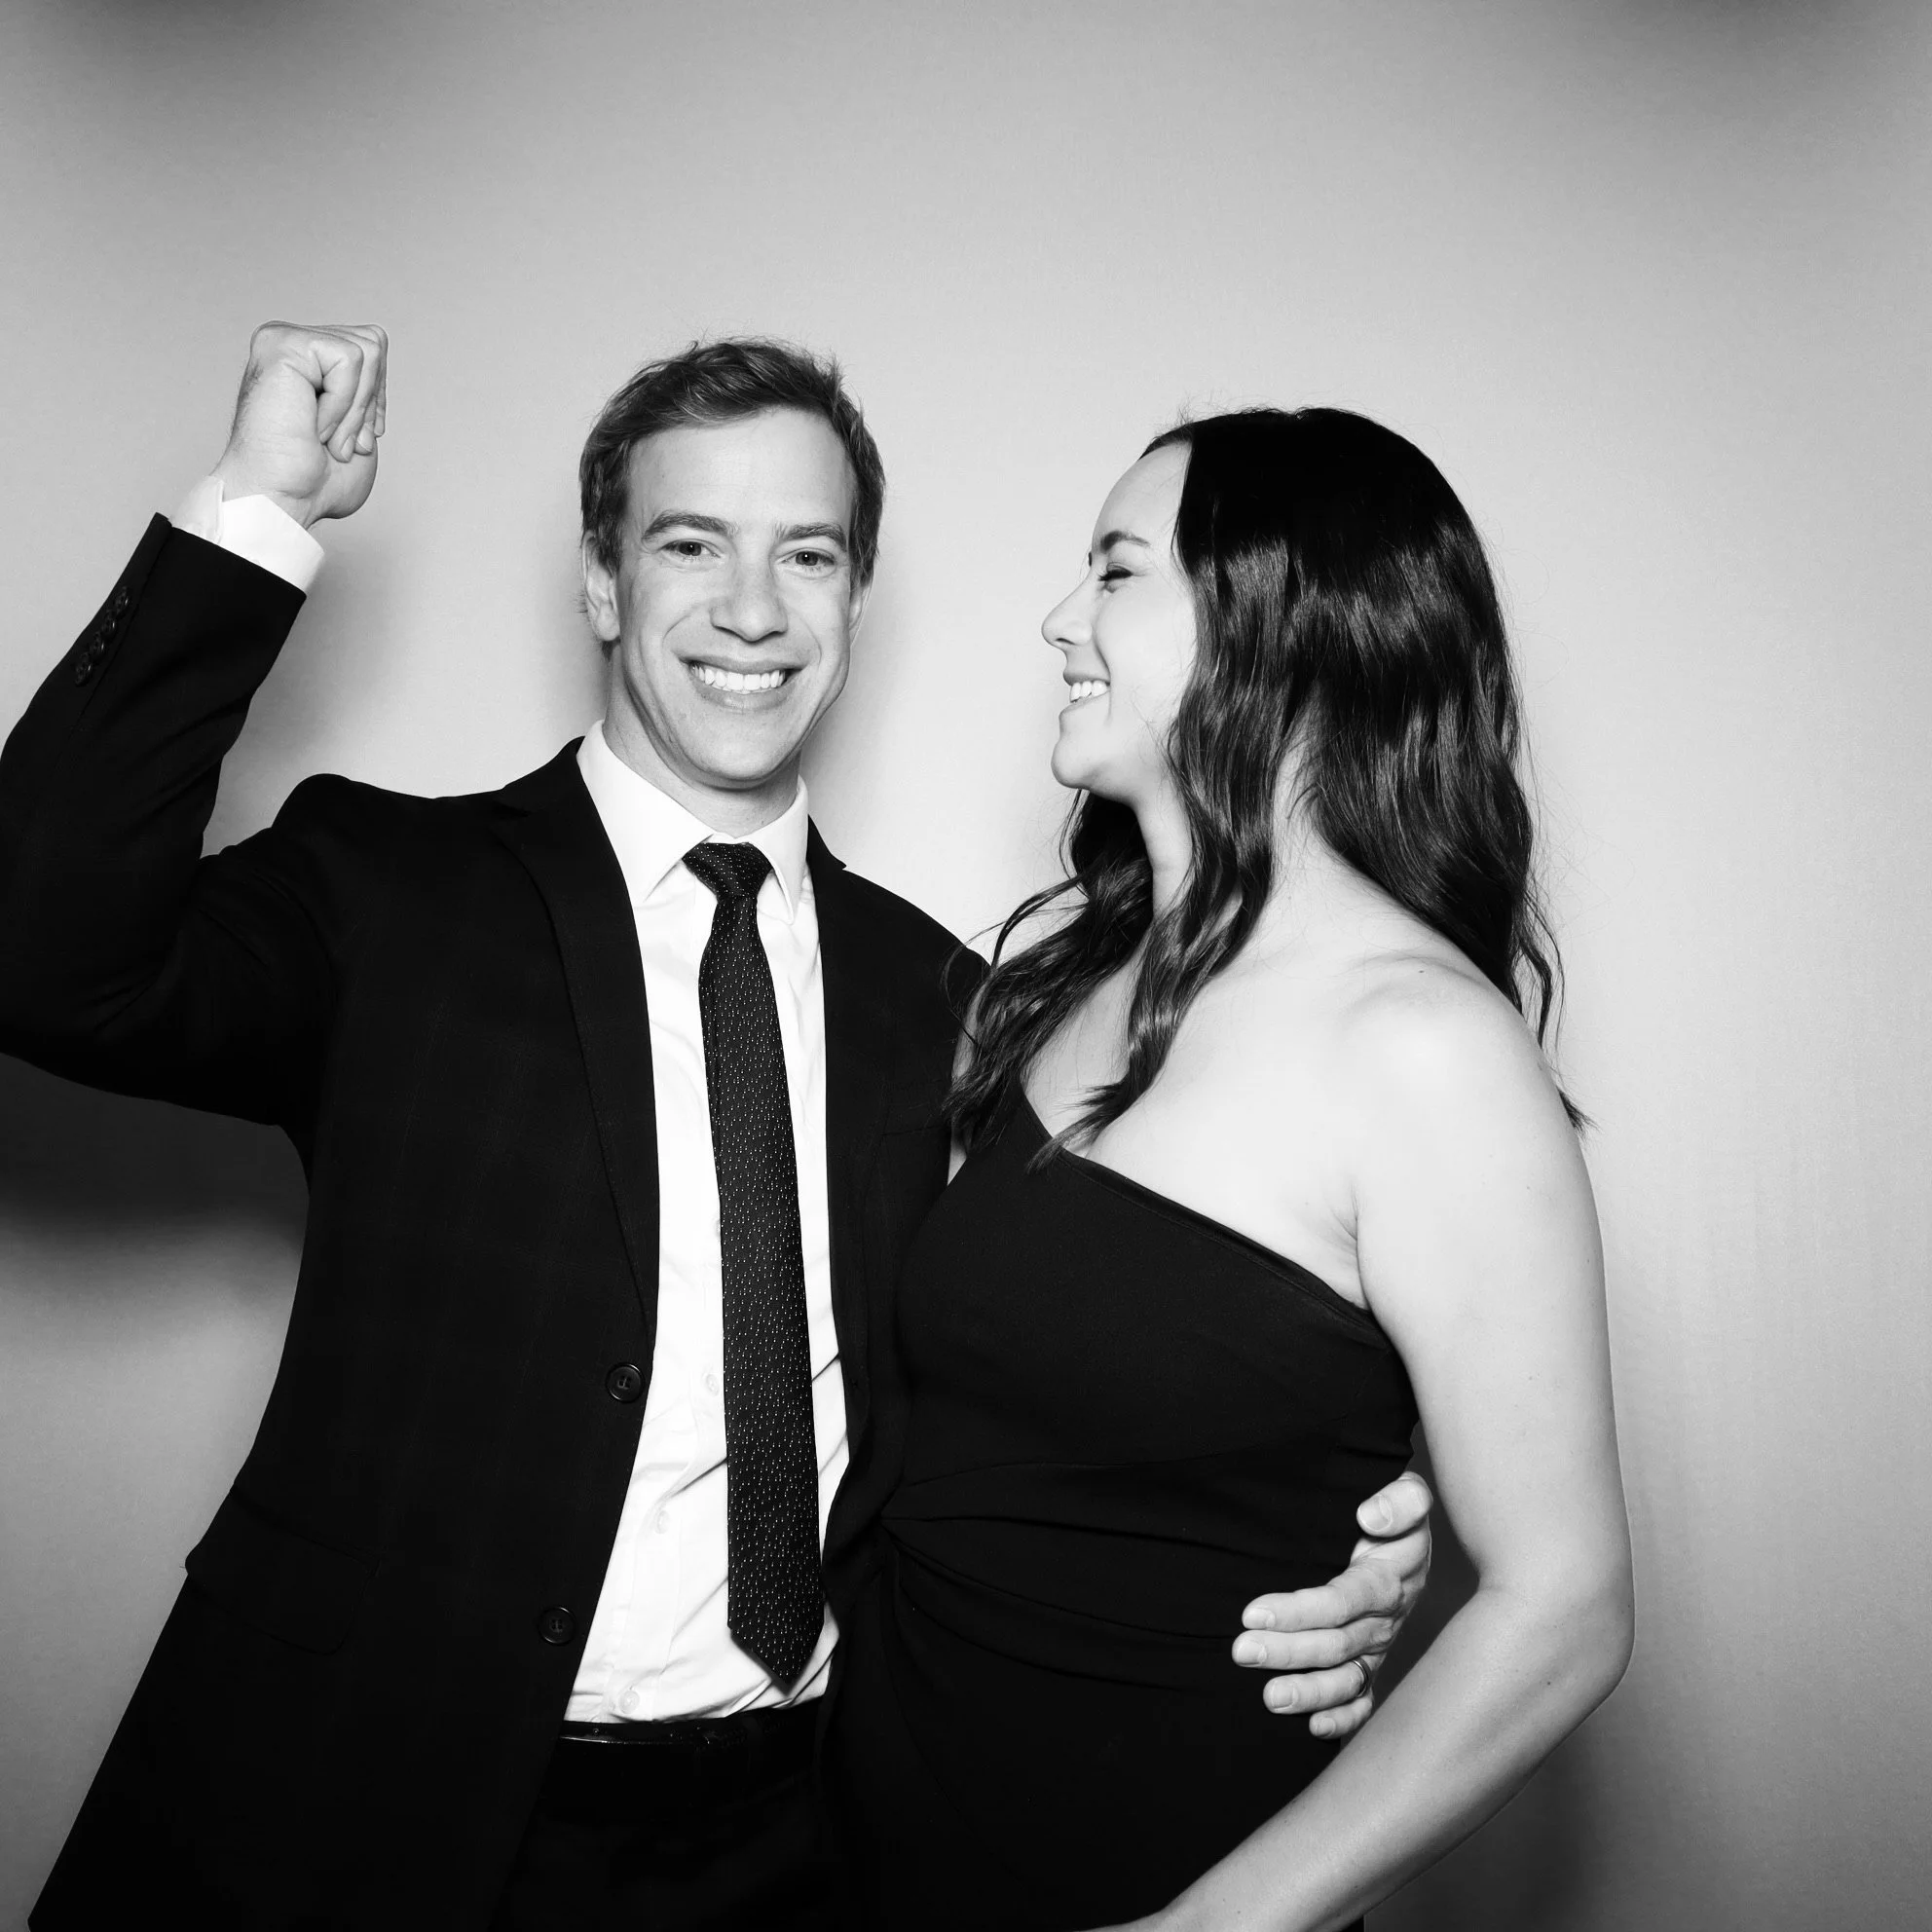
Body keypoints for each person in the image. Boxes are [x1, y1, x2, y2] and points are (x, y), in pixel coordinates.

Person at [2, 326, 1436, 1932]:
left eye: (806, 555)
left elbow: (1084, 1359)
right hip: (373, 1813)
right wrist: (258, 511)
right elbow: (42, 953)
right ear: (605, 586)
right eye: (692, 545)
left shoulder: (958, 1003)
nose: (753, 609)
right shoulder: (387, 891)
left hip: (811, 1838)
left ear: (852, 601)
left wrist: (1337, 1512)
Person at [826, 409, 1635, 1930]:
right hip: (871, 1858)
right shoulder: (1063, 985)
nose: (1060, 619)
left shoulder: (1420, 1048)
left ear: (1277, 626)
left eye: (1117, 571)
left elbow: (1564, 1610)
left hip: (1150, 1876)